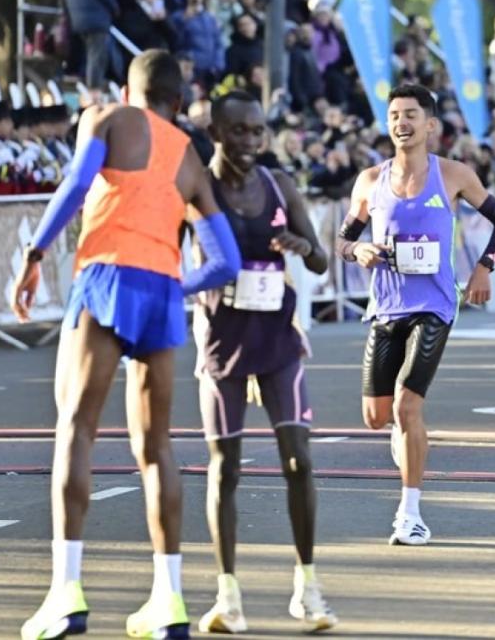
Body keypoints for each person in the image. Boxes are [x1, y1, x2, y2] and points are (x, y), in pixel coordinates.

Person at [12, 50, 241, 640]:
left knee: (76, 428)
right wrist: (173, 280)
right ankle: (168, 601)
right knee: (156, 446)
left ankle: (66, 593)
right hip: (161, 293)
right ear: (178, 97)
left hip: (107, 276)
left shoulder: (106, 118)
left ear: (128, 87)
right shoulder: (190, 158)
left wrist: (35, 253)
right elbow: (226, 261)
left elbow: (77, 183)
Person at [336, 84, 495, 545]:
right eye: (395, 114)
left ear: (430, 125)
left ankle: (410, 514)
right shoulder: (369, 182)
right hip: (386, 307)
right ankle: (402, 433)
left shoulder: (454, 174)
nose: (402, 122)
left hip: (435, 305)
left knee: (407, 405)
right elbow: (339, 241)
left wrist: (483, 268)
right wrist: (357, 249)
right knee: (377, 418)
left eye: (411, 114)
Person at [193, 91, 338, 634]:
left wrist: (301, 245)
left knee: (298, 457)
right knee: (225, 468)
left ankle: (308, 586)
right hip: (222, 341)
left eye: (257, 132)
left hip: (277, 339)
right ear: (216, 134)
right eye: (238, 132)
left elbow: (321, 259)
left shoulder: (279, 186)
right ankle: (227, 596)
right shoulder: (200, 189)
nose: (250, 143)